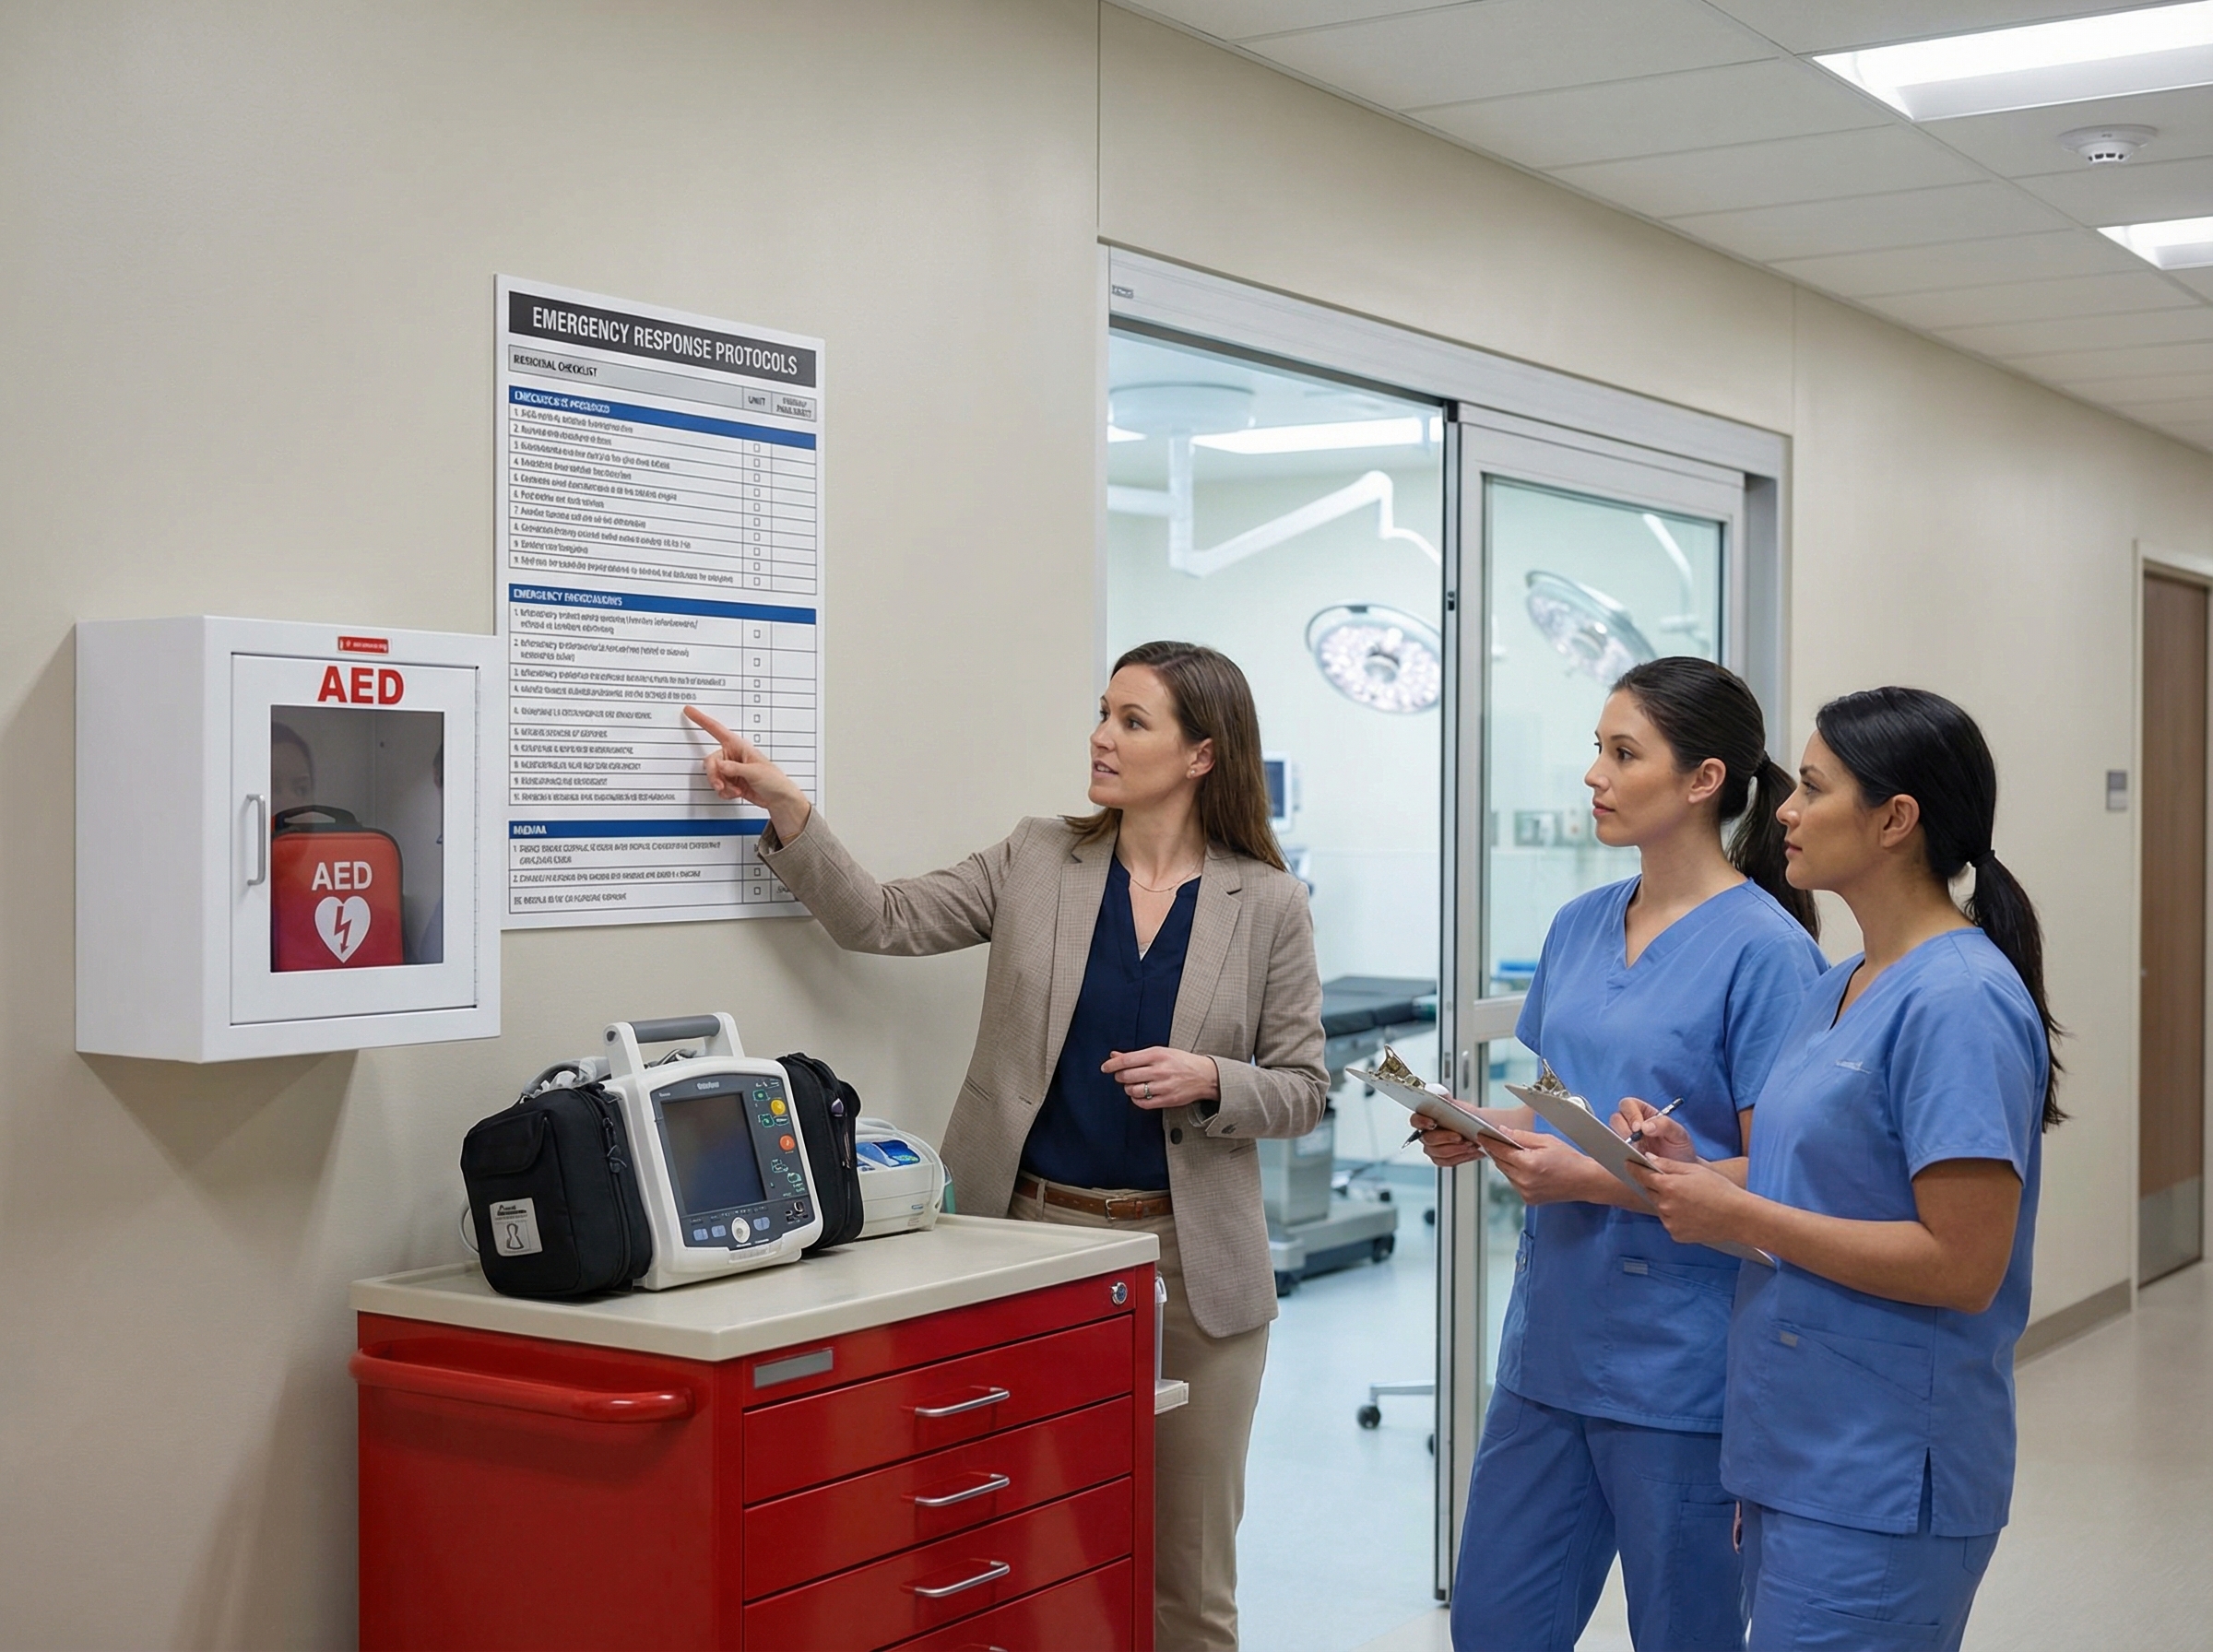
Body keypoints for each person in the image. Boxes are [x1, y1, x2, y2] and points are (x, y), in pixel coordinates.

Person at [682, 641, 1326, 1652]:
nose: (1100, 737)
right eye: (1102, 712)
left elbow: (1304, 1090)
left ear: (1202, 754)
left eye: (1132, 721)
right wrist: (790, 809)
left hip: (1194, 1270)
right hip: (1028, 1244)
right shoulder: (1037, 858)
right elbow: (883, 918)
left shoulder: (1268, 903)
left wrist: (1214, 1079)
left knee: (1189, 1579)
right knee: (1013, 1542)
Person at [1627, 687, 2061, 1652]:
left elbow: (1963, 1264)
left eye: (1815, 788)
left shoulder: (1959, 1002)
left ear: (1895, 819)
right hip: (1797, 1451)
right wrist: (1697, 1169)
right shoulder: (1840, 985)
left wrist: (1740, 1220)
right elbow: (1812, 1178)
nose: (1784, 807)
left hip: (1886, 1470)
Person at [1411, 656, 1825, 1652]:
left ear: (1704, 779)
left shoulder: (1768, 953)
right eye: (1597, 748)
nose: (1594, 774)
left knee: (1684, 1632)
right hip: (1550, 1343)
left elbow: (1778, 1178)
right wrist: (1482, 1125)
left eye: (1624, 753)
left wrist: (1592, 1180)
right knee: (1495, 1626)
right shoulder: (1579, 925)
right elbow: (1566, 1112)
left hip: (1680, 1366)